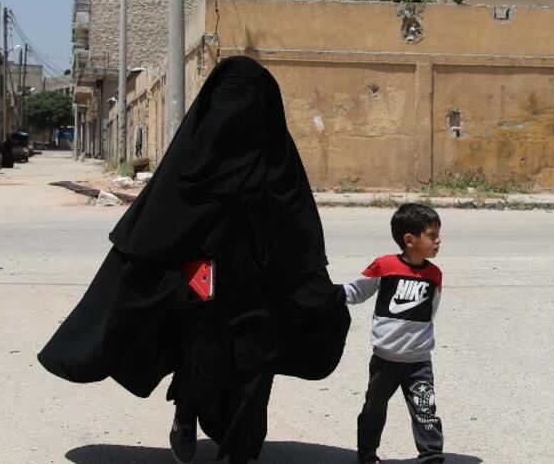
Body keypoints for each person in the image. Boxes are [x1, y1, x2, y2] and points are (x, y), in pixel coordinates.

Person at [38, 56, 350, 463]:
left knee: (254, 368)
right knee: (202, 361)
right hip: (197, 290)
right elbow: (154, 232)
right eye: (227, 99)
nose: (235, 112)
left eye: (246, 100)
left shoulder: (278, 164)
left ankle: (237, 450)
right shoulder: (190, 164)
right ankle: (185, 415)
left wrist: (316, 290)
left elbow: (300, 233)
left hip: (257, 289)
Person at [342, 202, 446, 464]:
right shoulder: (384, 266)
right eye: (432, 235)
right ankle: (367, 455)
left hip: (419, 361)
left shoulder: (434, 275)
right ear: (410, 240)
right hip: (385, 360)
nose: (438, 241)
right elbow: (356, 291)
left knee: (425, 410)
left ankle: (432, 456)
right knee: (374, 409)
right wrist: (326, 295)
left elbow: (430, 312)